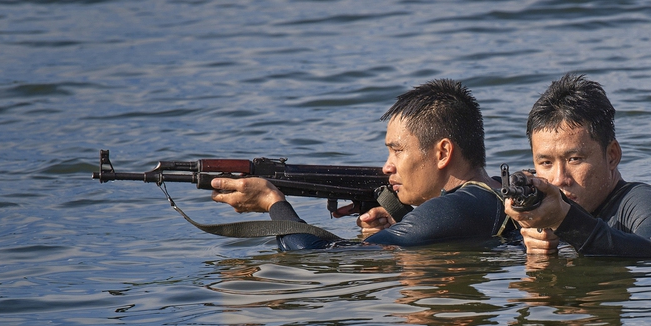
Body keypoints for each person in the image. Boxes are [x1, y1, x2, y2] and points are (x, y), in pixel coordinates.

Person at [209, 79, 514, 250]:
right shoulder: (498, 192)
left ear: (443, 152)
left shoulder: (454, 208)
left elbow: (312, 259)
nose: (387, 167)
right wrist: (404, 224)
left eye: (397, 151)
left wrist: (272, 202)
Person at [502, 73, 651, 258]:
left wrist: (565, 222)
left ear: (612, 155)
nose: (559, 179)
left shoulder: (643, 202)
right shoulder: (543, 210)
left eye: (574, 159)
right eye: (546, 163)